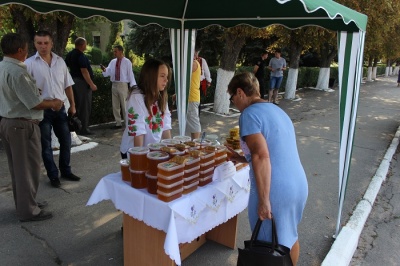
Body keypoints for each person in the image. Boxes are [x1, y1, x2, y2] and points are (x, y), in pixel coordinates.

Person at [227, 72, 308, 265]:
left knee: (266, 246)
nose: (233, 104)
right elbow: (275, 150)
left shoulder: (249, 114)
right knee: (288, 237)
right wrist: (240, 157)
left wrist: (263, 201)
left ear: (240, 92)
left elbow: (261, 155)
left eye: (232, 99)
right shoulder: (277, 110)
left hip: (275, 189)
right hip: (297, 185)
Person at [0, 33, 63, 221]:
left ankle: (26, 202)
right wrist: (53, 103)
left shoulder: (3, 66)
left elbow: (17, 94)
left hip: (9, 122)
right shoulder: (18, 71)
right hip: (22, 125)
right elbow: (34, 103)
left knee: (18, 168)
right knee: (27, 169)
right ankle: (28, 210)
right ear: (20, 50)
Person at [25, 30, 81, 188]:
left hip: (61, 108)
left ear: (51, 44)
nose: (43, 46)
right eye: (39, 43)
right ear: (34, 44)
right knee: (46, 145)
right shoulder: (29, 64)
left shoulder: (60, 62)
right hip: (42, 110)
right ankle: (53, 175)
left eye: (46, 43)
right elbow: (26, 90)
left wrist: (73, 105)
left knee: (66, 141)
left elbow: (68, 85)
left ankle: (66, 171)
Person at [120, 58, 172, 158]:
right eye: (162, 76)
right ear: (151, 76)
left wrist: (170, 151)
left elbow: (166, 126)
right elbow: (137, 130)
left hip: (152, 151)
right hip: (133, 151)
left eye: (167, 76)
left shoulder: (161, 96)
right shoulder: (136, 96)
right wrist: (139, 158)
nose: (166, 80)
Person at [65, 37, 97, 135]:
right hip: (81, 83)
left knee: (75, 104)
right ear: (82, 45)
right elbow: (84, 71)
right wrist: (91, 84)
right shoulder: (81, 56)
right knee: (84, 106)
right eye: (85, 44)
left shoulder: (70, 55)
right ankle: (84, 128)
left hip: (72, 82)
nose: (86, 46)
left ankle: (75, 126)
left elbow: (66, 66)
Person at [101, 45, 137, 129]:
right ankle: (118, 123)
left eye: (115, 51)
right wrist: (104, 70)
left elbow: (130, 74)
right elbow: (108, 71)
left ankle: (127, 123)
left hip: (123, 85)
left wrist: (133, 85)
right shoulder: (113, 61)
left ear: (121, 51)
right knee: (115, 105)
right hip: (114, 84)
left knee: (124, 105)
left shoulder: (127, 62)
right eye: (114, 51)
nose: (114, 53)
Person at [185, 56, 202, 140]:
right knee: (193, 122)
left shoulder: (193, 64)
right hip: (191, 97)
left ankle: (196, 143)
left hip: (191, 97)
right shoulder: (195, 63)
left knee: (194, 123)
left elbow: (183, 76)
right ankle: (195, 142)